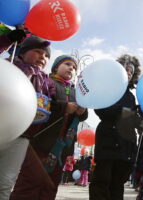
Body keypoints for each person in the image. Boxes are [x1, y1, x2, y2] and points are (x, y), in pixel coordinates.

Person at [10, 55, 88, 200]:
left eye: (74, 67)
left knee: (50, 186)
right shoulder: (47, 82)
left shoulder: (76, 92)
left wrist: (82, 111)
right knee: (30, 183)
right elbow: (40, 104)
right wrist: (64, 107)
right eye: (67, 64)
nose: (71, 68)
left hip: (62, 149)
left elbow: (82, 116)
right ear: (56, 67)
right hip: (41, 143)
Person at [0, 33, 55, 200]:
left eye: (46, 55)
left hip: (22, 135)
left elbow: (54, 101)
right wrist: (9, 38)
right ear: (22, 52)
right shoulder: (10, 65)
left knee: (6, 180)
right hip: (2, 124)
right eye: (38, 51)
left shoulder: (47, 80)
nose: (42, 57)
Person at [89, 54, 143, 200]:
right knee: (101, 181)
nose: (128, 73)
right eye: (125, 69)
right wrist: (126, 113)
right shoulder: (107, 89)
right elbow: (101, 110)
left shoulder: (131, 96)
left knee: (118, 183)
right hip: (107, 141)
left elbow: (132, 120)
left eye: (131, 71)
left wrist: (141, 122)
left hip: (126, 145)